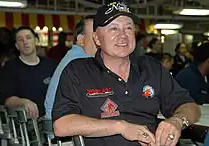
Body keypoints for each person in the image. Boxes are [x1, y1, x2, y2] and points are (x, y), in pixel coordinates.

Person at [52, 1, 201, 146]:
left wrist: (176, 121)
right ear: (97, 38)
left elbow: (191, 107)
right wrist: (121, 127)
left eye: (128, 28)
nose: (123, 35)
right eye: (113, 29)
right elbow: (61, 125)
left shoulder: (151, 67)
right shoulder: (78, 70)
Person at [44, 15, 97, 120]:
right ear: (81, 39)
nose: (100, 38)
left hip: (55, 125)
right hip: (63, 130)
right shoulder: (81, 62)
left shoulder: (74, 57)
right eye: (95, 35)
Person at [0, 26, 57, 118]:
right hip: (23, 125)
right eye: (20, 40)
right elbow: (7, 100)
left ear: (36, 41)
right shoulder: (10, 68)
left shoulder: (50, 65)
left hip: (50, 120)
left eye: (28, 38)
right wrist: (23, 102)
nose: (25, 42)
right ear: (17, 46)